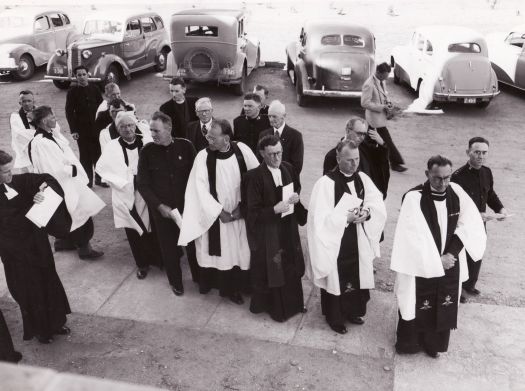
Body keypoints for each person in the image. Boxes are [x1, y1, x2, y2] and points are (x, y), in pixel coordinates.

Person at [391, 155, 486, 358]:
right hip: (420, 265)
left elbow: (469, 223)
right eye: (437, 178)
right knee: (416, 302)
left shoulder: (457, 192)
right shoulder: (414, 198)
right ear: (427, 174)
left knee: (444, 300)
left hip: (450, 261)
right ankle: (410, 344)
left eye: (447, 177)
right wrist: (437, 260)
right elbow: (411, 237)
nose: (443, 183)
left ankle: (434, 345)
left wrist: (451, 253)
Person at [307, 140, 386, 334]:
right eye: (349, 160)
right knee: (336, 279)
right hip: (336, 242)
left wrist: (367, 214)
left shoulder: (362, 178)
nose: (354, 164)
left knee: (356, 276)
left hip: (357, 238)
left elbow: (375, 202)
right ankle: (335, 318)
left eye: (357, 159)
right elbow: (319, 220)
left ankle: (352, 312)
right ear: (338, 158)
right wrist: (345, 218)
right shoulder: (325, 184)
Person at [178, 119, 259, 303]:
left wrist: (244, 206)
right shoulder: (203, 157)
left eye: (213, 138)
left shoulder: (242, 150)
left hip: (240, 215)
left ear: (226, 138)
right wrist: (219, 212)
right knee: (223, 254)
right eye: (208, 136)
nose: (209, 140)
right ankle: (228, 290)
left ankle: (243, 286)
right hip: (217, 217)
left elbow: (256, 178)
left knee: (240, 252)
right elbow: (199, 189)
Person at [0, 150, 71, 344]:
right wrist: (31, 205)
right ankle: (41, 331)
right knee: (31, 291)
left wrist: (44, 191)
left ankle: (56, 322)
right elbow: (8, 222)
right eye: (5, 172)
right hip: (16, 253)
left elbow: (45, 179)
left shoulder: (15, 181)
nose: (10, 175)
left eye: (10, 169)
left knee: (48, 281)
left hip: (37, 246)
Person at [28, 106, 105, 259]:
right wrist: (72, 170)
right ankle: (85, 250)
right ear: (44, 121)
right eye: (52, 116)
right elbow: (52, 167)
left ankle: (65, 243)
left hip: (66, 182)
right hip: (64, 184)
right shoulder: (41, 142)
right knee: (79, 213)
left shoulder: (49, 135)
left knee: (69, 216)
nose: (55, 119)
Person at [244, 134, 307, 321]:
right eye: (271, 154)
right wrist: (273, 209)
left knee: (291, 266)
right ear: (262, 153)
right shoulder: (253, 177)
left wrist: (296, 198)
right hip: (268, 234)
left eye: (279, 152)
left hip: (287, 228)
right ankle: (278, 310)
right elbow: (251, 212)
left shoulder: (288, 168)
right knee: (274, 269)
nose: (276, 158)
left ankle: (295, 305)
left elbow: (296, 188)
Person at [137, 112, 199, 294]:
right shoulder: (147, 152)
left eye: (156, 130)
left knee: (193, 246)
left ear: (169, 129)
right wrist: (159, 206)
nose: (152, 134)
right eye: (151, 130)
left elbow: (197, 177)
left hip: (187, 210)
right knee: (169, 250)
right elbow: (142, 184)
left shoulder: (185, 146)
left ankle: (199, 278)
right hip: (163, 213)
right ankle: (176, 282)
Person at [96, 112, 160, 279]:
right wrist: (126, 181)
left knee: (153, 227)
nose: (128, 129)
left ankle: (158, 259)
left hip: (147, 193)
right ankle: (142, 264)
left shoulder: (146, 141)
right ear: (118, 129)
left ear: (135, 125)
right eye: (123, 127)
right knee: (134, 230)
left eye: (130, 125)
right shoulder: (112, 147)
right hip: (126, 194)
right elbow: (102, 170)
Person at [451, 137, 508, 302]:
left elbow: (490, 194)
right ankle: (458, 289)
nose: (480, 156)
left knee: (478, 252)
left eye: (484, 153)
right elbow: (454, 205)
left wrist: (500, 209)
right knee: (462, 255)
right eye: (476, 152)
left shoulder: (487, 172)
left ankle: (469, 285)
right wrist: (476, 216)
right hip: (463, 225)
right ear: (468, 152)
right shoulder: (458, 177)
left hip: (481, 223)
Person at [323, 117, 390, 199]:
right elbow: (328, 185)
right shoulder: (332, 155)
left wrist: (382, 143)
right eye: (359, 133)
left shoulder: (366, 148)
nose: (362, 137)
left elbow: (381, 162)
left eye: (364, 134)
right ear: (348, 131)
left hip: (368, 195)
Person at [361, 62, 407, 173]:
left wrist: (389, 104)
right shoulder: (369, 84)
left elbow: (384, 95)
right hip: (374, 119)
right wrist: (382, 107)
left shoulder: (381, 81)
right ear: (379, 73)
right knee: (387, 141)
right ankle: (396, 162)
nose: (386, 78)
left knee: (369, 142)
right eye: (385, 76)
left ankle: (364, 160)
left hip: (379, 118)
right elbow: (364, 103)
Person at [65, 65, 106, 187]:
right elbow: (69, 112)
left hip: (96, 128)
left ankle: (100, 179)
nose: (82, 77)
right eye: (79, 75)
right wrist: (74, 130)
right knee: (85, 156)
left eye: (84, 74)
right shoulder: (72, 92)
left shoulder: (95, 89)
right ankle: (87, 181)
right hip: (82, 130)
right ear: (75, 77)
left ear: (88, 75)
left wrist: (103, 126)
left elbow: (102, 108)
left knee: (98, 154)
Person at [259, 100, 304, 175]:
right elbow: (260, 158)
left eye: (274, 116)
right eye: (269, 116)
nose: (271, 119)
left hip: (287, 178)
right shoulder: (263, 134)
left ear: (284, 116)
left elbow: (297, 165)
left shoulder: (296, 136)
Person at [9, 90, 36, 173]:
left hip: (41, 149)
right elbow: (20, 134)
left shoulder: (40, 112)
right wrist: (39, 136)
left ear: (34, 102)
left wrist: (34, 119)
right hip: (25, 150)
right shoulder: (15, 116)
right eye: (24, 101)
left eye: (29, 101)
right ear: (20, 103)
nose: (27, 103)